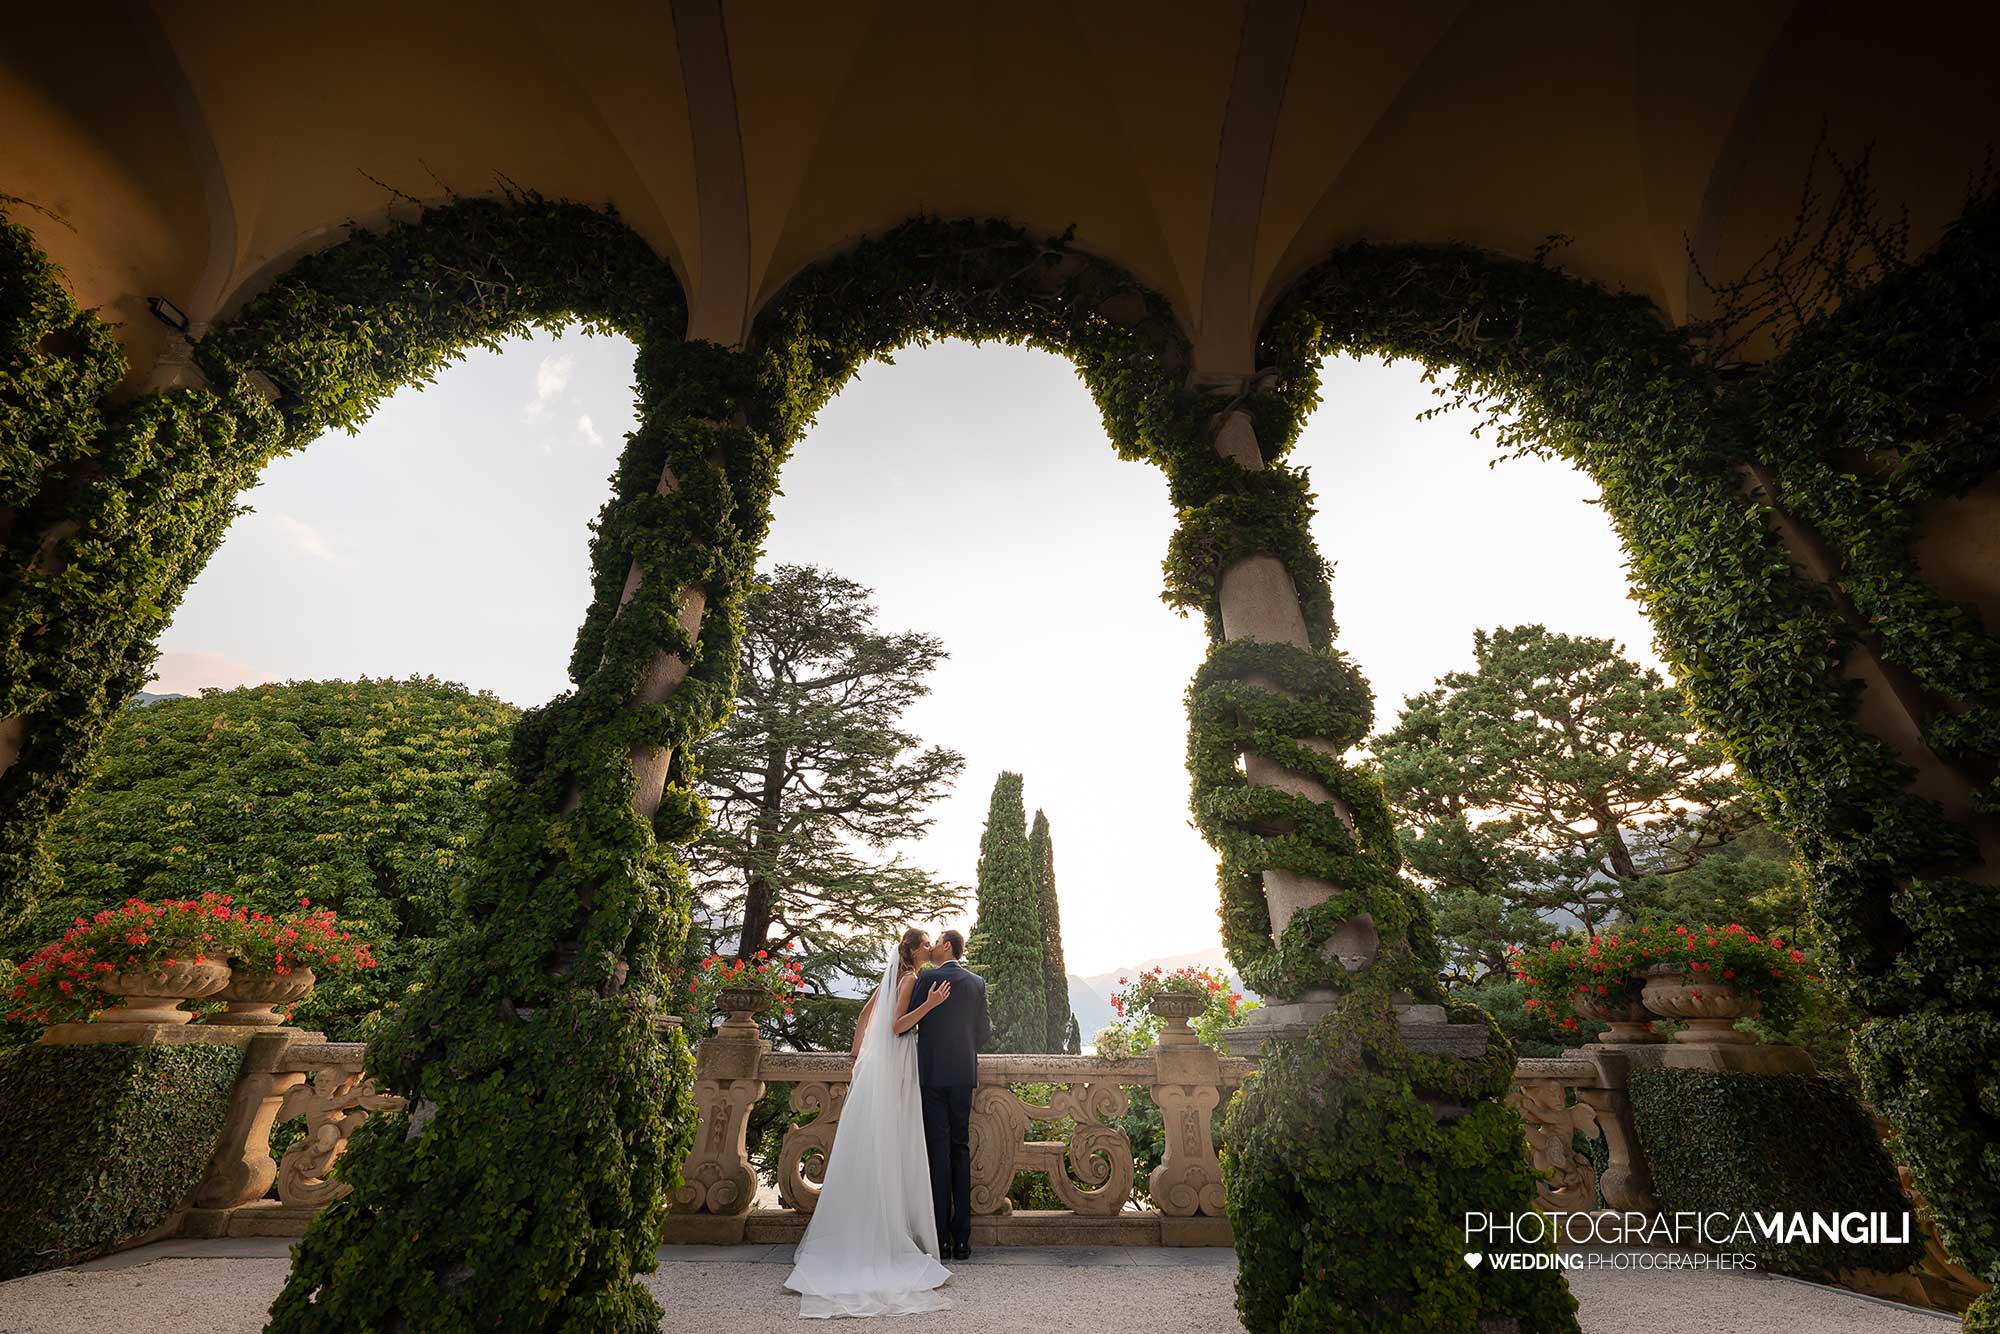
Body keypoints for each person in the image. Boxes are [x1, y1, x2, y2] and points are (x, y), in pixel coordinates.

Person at [784, 928, 956, 1318]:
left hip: (878, 1066)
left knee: (871, 1142)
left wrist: (858, 1053)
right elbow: (897, 1025)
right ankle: (886, 1232)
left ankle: (864, 1224)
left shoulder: (893, 975)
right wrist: (929, 1005)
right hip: (895, 1064)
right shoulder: (911, 979)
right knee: (892, 1140)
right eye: (926, 943)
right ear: (913, 951)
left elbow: (865, 1017)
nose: (930, 947)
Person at [909, 928, 990, 1260]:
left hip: (931, 1076)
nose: (934, 947)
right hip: (962, 1075)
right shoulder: (976, 983)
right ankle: (963, 1240)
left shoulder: (926, 980)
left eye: (938, 941)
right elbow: (984, 1033)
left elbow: (907, 1022)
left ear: (948, 946)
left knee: (937, 1154)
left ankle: (940, 1237)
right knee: (960, 1149)